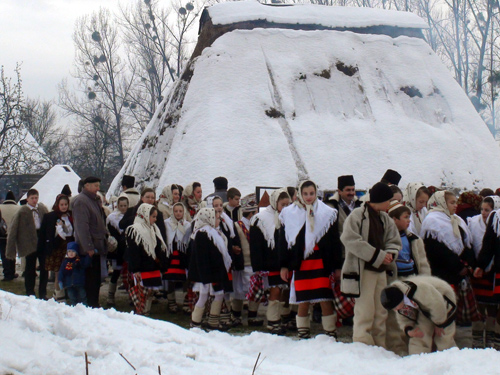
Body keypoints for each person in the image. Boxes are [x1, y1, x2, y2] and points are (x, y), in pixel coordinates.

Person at [341, 182, 401, 348]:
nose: (390, 204)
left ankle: (379, 346)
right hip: (364, 271)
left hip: (381, 271)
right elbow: (349, 239)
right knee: (365, 311)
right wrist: (378, 256)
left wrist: (390, 255)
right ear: (380, 200)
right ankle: (362, 346)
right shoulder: (357, 216)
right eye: (388, 200)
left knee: (380, 312)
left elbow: (394, 240)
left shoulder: (385, 218)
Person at [280, 180, 342, 339]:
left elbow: (335, 241)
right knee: (303, 298)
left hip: (321, 261)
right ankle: (303, 331)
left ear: (316, 193)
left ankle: (330, 331)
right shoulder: (289, 213)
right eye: (305, 193)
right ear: (300, 194)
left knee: (324, 297)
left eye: (311, 193)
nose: (308, 197)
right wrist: (284, 266)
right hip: (301, 262)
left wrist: (337, 266)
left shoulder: (327, 212)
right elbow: (284, 242)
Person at [386, 200, 431, 355]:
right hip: (394, 283)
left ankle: (411, 347)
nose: (409, 220)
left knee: (410, 315)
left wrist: (425, 282)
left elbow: (422, 263)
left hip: (410, 282)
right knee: (393, 318)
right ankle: (396, 348)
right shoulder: (385, 240)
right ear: (394, 219)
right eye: (405, 217)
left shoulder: (414, 239)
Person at [381, 275, 457, 355]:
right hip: (424, 307)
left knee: (444, 335)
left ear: (400, 300)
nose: (395, 310)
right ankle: (417, 359)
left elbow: (437, 304)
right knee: (419, 334)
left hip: (443, 299)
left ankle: (450, 357)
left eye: (395, 307)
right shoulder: (398, 300)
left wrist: (440, 323)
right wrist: (409, 329)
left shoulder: (418, 289)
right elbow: (402, 317)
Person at [250, 188, 290, 334]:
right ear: (275, 202)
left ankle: (277, 318)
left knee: (280, 290)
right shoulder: (261, 218)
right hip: (269, 262)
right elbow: (255, 245)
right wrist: (258, 266)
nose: (285, 207)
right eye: (283, 204)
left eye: (288, 204)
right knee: (275, 289)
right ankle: (272, 320)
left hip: (281, 262)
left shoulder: (285, 217)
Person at [189, 208, 232, 330]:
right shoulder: (202, 234)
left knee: (218, 294)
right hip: (207, 273)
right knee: (203, 296)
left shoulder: (214, 233)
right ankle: (195, 322)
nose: (219, 220)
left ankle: (213, 321)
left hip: (215, 271)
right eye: (217, 218)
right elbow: (201, 257)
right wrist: (205, 277)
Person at [420, 191, 474, 287]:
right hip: (443, 272)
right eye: (452, 203)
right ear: (442, 203)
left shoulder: (456, 219)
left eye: (456, 202)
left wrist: (467, 263)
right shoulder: (432, 221)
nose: (456, 206)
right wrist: (458, 266)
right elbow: (435, 249)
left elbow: (465, 242)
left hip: (458, 272)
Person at [126, 203, 168, 316]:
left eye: (155, 217)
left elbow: (158, 247)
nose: (155, 219)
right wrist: (136, 270)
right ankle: (140, 313)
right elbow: (133, 253)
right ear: (144, 215)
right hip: (141, 267)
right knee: (141, 291)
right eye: (153, 216)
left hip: (152, 266)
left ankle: (147, 311)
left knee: (150, 291)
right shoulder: (135, 230)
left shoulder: (154, 228)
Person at [6, 189, 49, 299]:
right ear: (28, 199)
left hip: (41, 239)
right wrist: (11, 248)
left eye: (36, 198)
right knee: (30, 268)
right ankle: (30, 291)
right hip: (28, 241)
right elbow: (13, 229)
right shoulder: (22, 211)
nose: (34, 200)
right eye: (32, 198)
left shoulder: (42, 209)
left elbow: (49, 222)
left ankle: (43, 292)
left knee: (44, 267)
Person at [72, 176, 108, 308]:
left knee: (96, 279)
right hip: (89, 249)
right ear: (87, 186)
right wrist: (88, 247)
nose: (98, 189)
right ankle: (90, 305)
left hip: (97, 246)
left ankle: (94, 303)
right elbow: (82, 227)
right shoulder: (81, 201)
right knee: (90, 280)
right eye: (95, 186)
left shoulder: (93, 200)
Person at [473, 196, 500, 349]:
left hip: (496, 268)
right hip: (492, 270)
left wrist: (480, 265)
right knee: (486, 305)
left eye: (487, 210)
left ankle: (496, 341)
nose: (484, 213)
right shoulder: (475, 223)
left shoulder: (496, 218)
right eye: (482, 209)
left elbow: (488, 245)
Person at [39, 194, 74, 302]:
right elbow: (45, 234)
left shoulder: (71, 215)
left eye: (65, 204)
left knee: (69, 271)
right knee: (59, 272)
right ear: (57, 205)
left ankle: (60, 293)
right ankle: (59, 295)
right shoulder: (51, 216)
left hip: (69, 246)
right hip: (58, 247)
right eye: (62, 204)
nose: (64, 207)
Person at [233, 194, 259, 327]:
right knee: (238, 291)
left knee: (254, 290)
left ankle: (252, 316)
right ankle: (236, 316)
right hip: (242, 264)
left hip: (253, 264)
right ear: (251, 213)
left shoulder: (257, 225)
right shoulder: (237, 226)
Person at [163, 202, 191, 313]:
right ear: (172, 212)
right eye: (176, 211)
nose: (178, 213)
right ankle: (171, 301)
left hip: (182, 254)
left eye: (180, 211)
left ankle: (186, 300)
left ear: (184, 212)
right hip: (171, 253)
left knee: (185, 277)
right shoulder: (167, 223)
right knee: (170, 277)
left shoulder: (187, 225)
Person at [106, 194, 129, 306]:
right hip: (117, 251)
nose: (123, 208)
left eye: (125, 205)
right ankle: (110, 296)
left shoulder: (131, 217)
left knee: (129, 273)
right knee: (116, 273)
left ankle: (131, 296)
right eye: (121, 205)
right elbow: (110, 232)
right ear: (117, 206)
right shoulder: (112, 218)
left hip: (127, 250)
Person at [58, 242, 91, 306]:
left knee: (82, 296)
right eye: (69, 251)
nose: (71, 253)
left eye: (73, 251)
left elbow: (86, 263)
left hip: (79, 283)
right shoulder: (65, 262)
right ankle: (74, 308)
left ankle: (85, 308)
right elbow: (61, 272)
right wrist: (60, 281)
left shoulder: (79, 261)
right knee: (72, 298)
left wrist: (89, 256)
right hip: (69, 284)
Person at [0, 191, 19, 281]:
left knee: (4, 255)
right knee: (12, 254)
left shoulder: (0, 207)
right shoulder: (18, 208)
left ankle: (7, 273)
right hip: (14, 234)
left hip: (2, 235)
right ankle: (12, 271)